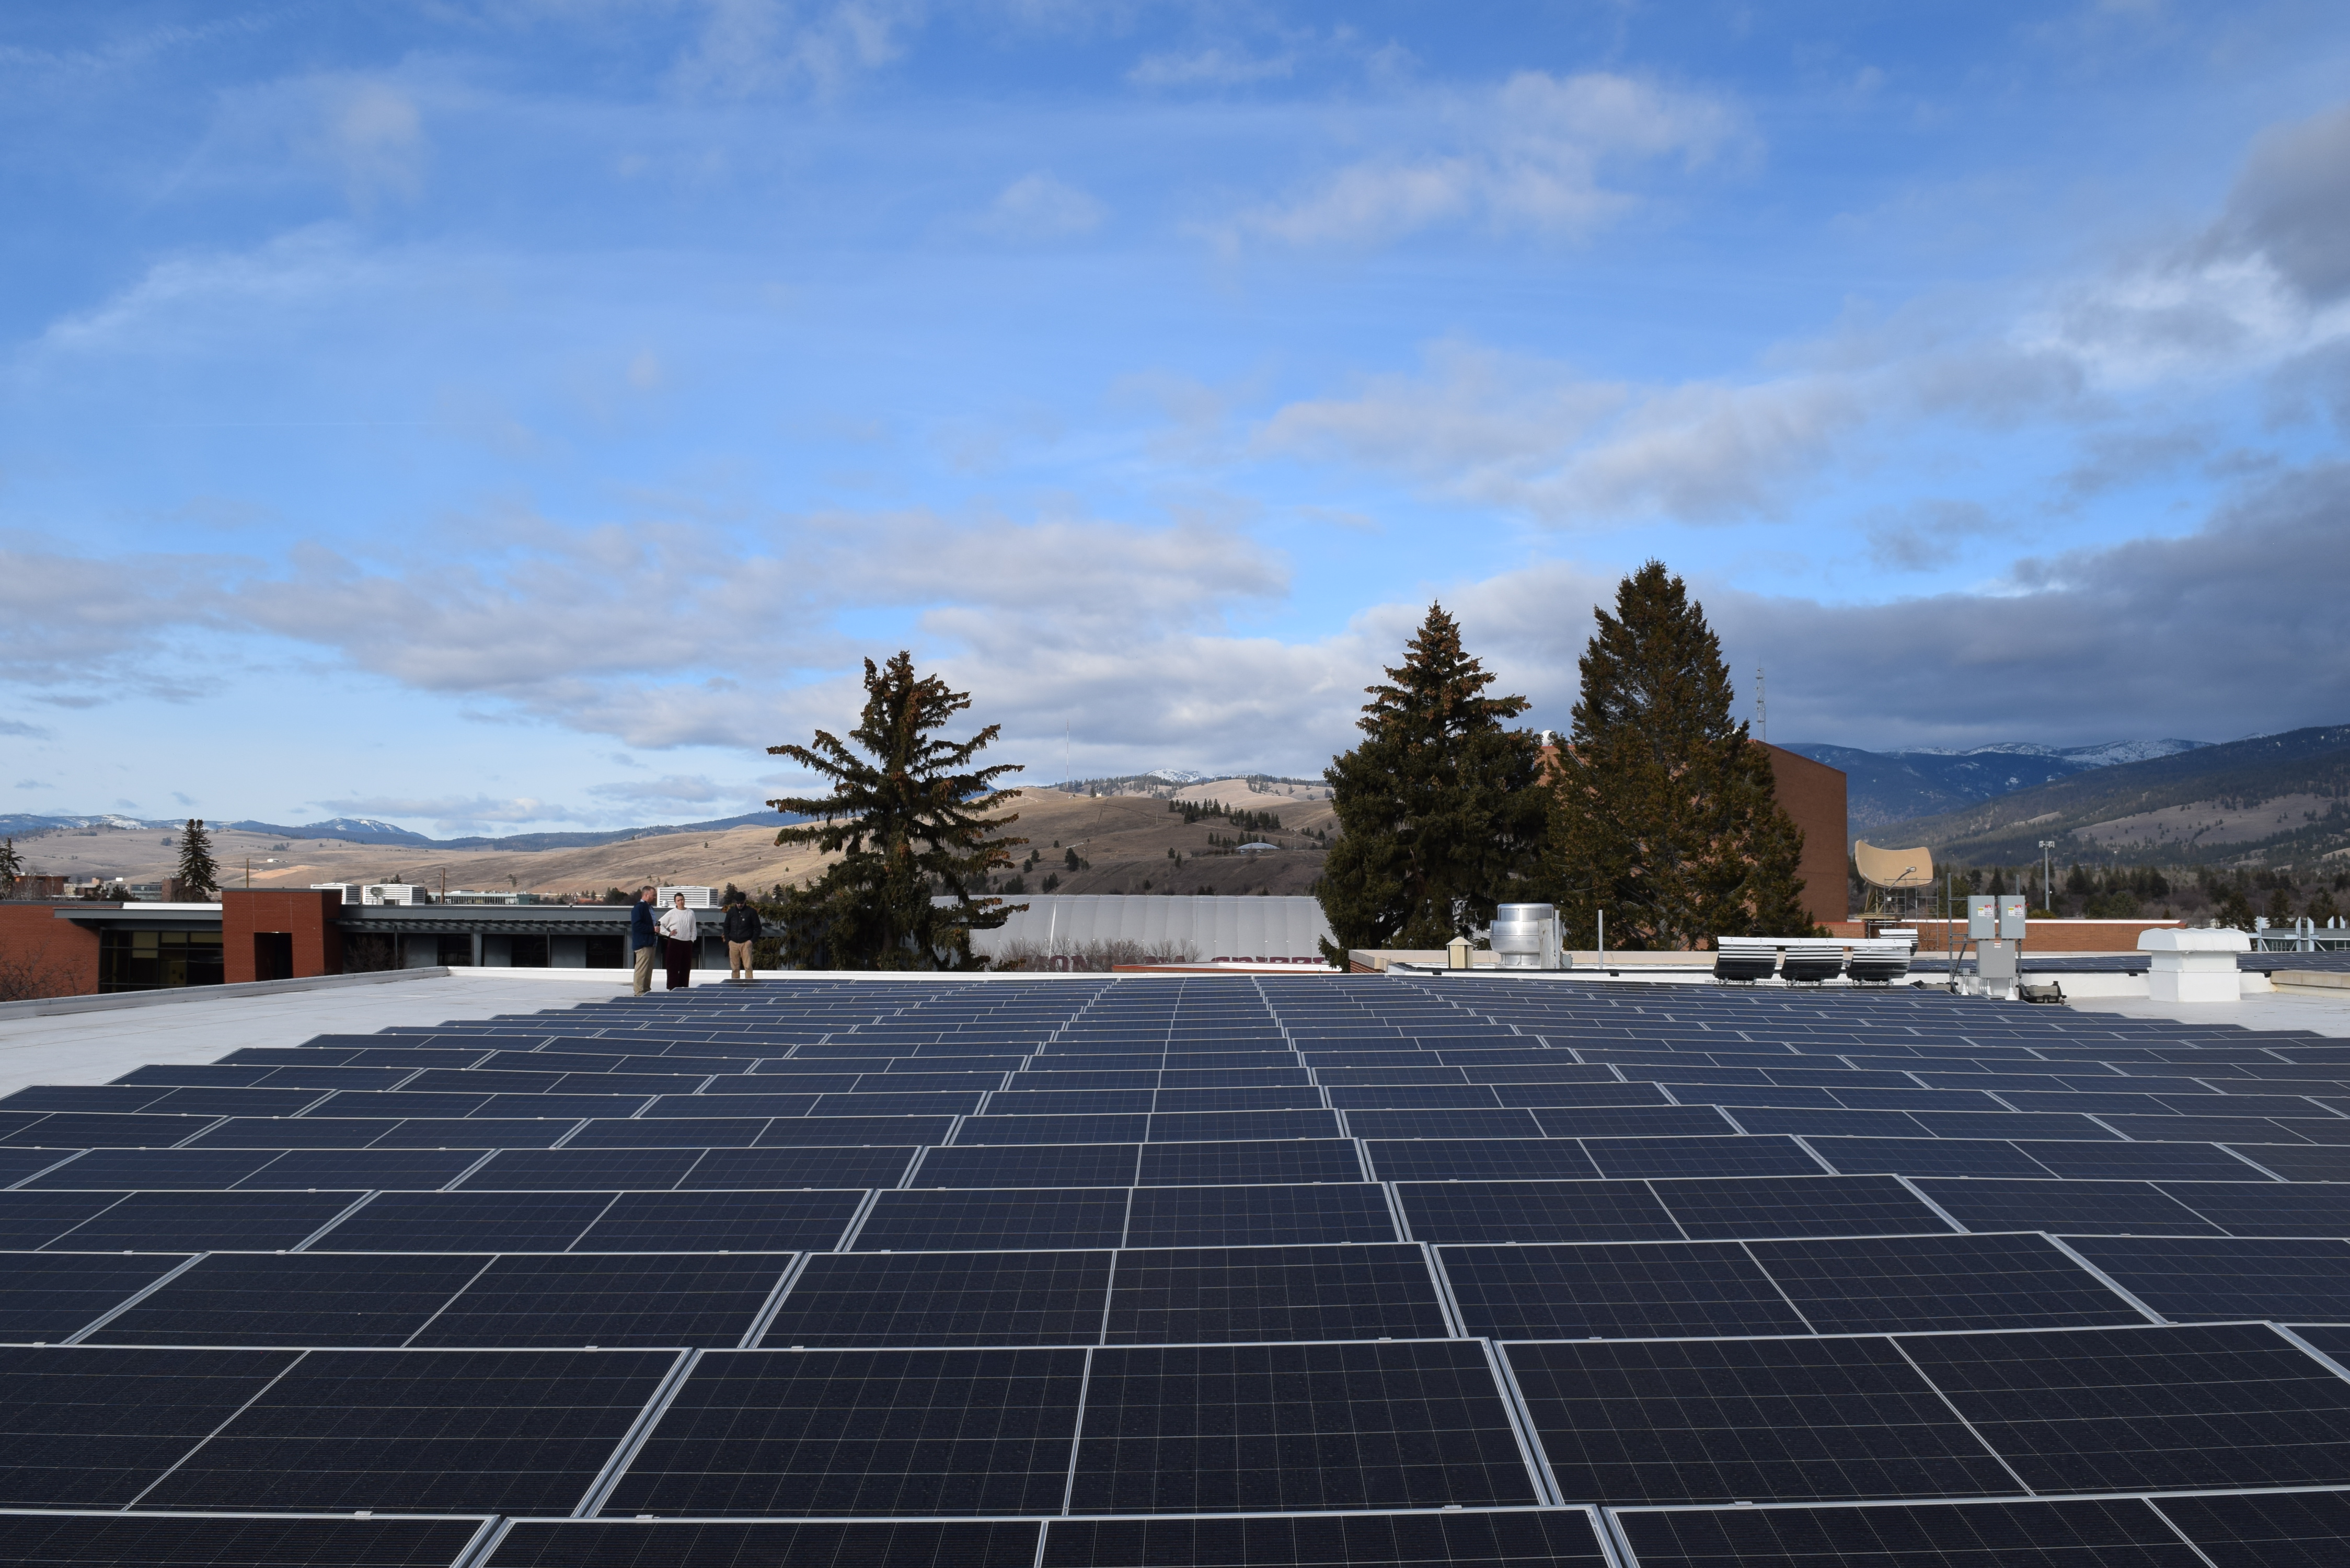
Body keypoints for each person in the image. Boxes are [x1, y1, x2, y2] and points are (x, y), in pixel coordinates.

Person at [658, 891, 698, 990]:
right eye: (678, 900)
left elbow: (693, 928)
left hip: (687, 943)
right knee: (673, 966)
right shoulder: (672, 913)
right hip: (675, 942)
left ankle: (684, 987)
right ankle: (672, 987)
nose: (681, 902)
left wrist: (692, 940)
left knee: (686, 967)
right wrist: (668, 934)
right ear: (675, 902)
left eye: (682, 900)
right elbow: (660, 923)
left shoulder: (690, 913)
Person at [722, 892, 762, 981]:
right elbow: (726, 927)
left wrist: (751, 941)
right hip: (733, 943)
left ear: (745, 902)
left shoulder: (751, 912)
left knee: (748, 967)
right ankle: (736, 987)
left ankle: (749, 986)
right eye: (738, 903)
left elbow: (758, 928)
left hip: (746, 943)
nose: (740, 905)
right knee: (735, 968)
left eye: (742, 903)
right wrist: (729, 941)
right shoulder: (731, 912)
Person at [627, 886, 659, 995]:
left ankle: (646, 989)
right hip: (643, 944)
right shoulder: (639, 908)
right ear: (646, 895)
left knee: (648, 970)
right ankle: (639, 991)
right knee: (642, 969)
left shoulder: (649, 908)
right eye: (653, 895)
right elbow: (636, 926)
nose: (655, 897)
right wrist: (652, 929)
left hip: (651, 942)